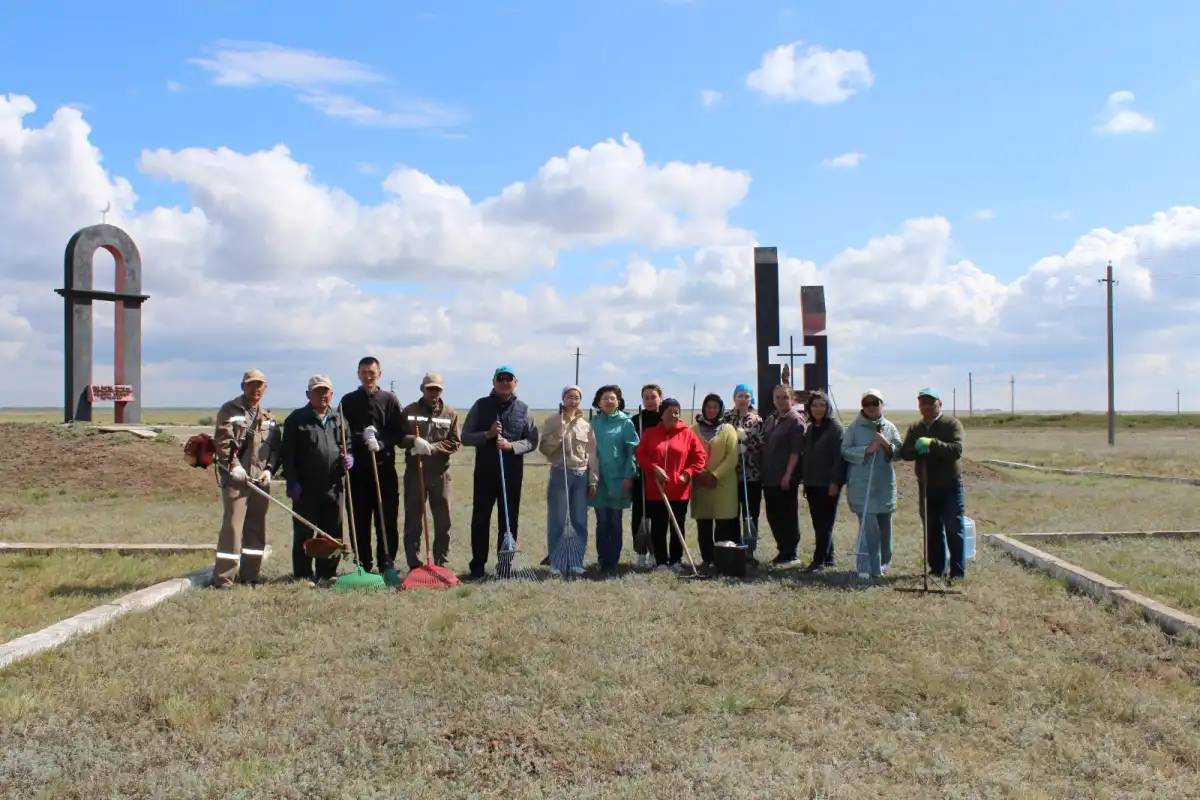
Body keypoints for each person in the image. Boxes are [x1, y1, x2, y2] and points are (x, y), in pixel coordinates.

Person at [461, 365, 539, 580]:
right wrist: (487, 434)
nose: (504, 382)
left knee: (509, 520)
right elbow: (465, 436)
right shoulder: (481, 405)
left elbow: (532, 440)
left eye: (509, 379)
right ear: (493, 382)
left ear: (515, 382)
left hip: (512, 474)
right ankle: (477, 566)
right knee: (480, 519)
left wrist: (511, 446)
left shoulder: (524, 409)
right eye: (500, 379)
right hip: (485, 473)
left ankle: (505, 565)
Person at [210, 368, 281, 589]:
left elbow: (275, 449)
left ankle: (251, 575)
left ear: (265, 388)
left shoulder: (269, 418)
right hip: (236, 481)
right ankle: (224, 579)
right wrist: (234, 466)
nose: (256, 389)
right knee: (232, 527)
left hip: (259, 482)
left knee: (256, 528)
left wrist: (269, 469)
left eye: (260, 385)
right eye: (251, 384)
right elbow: (222, 442)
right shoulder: (229, 410)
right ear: (243, 386)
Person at [281, 375, 353, 586]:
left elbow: (347, 443)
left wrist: (350, 458)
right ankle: (303, 574)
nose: (322, 395)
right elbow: (288, 454)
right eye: (317, 391)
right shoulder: (297, 419)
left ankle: (327, 573)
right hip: (305, 488)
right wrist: (292, 482)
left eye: (326, 391)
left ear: (331, 394)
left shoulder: (339, 419)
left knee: (331, 531)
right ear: (308, 394)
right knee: (304, 531)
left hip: (333, 486)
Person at [339, 357, 408, 575]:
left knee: (386, 520)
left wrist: (381, 442)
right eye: (364, 372)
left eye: (372, 372)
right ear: (358, 373)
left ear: (380, 373)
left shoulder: (390, 399)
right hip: (358, 471)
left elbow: (398, 431)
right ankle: (363, 564)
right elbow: (342, 432)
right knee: (359, 520)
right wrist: (359, 439)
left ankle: (387, 562)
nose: (368, 376)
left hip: (384, 469)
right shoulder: (348, 401)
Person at [901, 387, 967, 582]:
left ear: (940, 404)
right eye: (923, 402)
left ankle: (957, 572)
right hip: (926, 486)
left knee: (953, 527)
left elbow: (957, 450)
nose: (927, 406)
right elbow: (905, 453)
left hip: (949, 485)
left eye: (931, 402)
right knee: (932, 528)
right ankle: (937, 569)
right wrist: (916, 448)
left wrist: (932, 443)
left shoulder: (951, 424)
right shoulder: (915, 428)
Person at [634, 398, 706, 570]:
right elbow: (640, 454)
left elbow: (700, 457)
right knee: (658, 527)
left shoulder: (687, 433)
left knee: (677, 526)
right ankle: (660, 561)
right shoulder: (650, 433)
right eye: (671, 411)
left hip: (679, 490)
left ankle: (675, 560)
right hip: (656, 490)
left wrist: (687, 474)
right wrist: (653, 468)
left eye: (678, 411)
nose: (675, 414)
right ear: (662, 413)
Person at [841, 388, 903, 583]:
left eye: (874, 403)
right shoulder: (854, 427)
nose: (870, 407)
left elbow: (899, 452)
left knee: (885, 527)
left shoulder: (889, 427)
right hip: (862, 485)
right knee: (869, 528)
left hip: (884, 484)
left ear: (881, 405)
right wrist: (867, 450)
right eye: (866, 404)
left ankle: (883, 564)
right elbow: (845, 450)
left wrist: (886, 445)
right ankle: (866, 566)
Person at [399, 373, 460, 570]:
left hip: (440, 474)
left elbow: (454, 442)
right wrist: (412, 442)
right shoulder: (409, 410)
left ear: (441, 390)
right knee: (413, 520)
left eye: (437, 389)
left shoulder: (450, 413)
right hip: (415, 473)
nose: (433, 393)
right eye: (429, 389)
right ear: (422, 389)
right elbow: (399, 437)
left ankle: (441, 563)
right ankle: (414, 564)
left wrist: (433, 447)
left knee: (443, 521)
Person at [539, 385, 596, 576]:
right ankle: (556, 561)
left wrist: (593, 479)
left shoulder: (586, 425)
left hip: (580, 475)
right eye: (570, 397)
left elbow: (592, 454)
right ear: (563, 399)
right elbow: (544, 449)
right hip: (560, 473)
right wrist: (559, 436)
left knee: (579, 520)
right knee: (558, 519)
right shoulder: (552, 421)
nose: (573, 400)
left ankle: (576, 561)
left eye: (577, 397)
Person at [589, 385, 639, 575]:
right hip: (598, 479)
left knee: (615, 521)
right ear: (598, 402)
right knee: (602, 521)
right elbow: (589, 451)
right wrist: (590, 478)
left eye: (612, 398)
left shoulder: (626, 422)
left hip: (619, 479)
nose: (609, 402)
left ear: (618, 401)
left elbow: (631, 451)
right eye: (605, 399)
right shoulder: (594, 423)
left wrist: (629, 475)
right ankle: (603, 559)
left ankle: (613, 561)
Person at [690, 393, 741, 567]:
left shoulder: (728, 429)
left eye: (715, 407)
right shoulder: (693, 430)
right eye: (708, 406)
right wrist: (701, 474)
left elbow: (732, 457)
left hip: (724, 484)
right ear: (703, 408)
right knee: (703, 524)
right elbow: (688, 455)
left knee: (723, 522)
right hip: (700, 482)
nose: (711, 410)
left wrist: (715, 475)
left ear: (720, 409)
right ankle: (707, 559)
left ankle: (722, 559)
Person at [759, 384, 805, 565]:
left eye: (785, 397)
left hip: (785, 478)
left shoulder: (796, 421)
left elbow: (796, 452)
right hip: (769, 477)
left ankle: (791, 553)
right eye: (777, 397)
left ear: (792, 399)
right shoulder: (772, 419)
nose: (781, 401)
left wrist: (788, 474)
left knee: (787, 515)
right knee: (773, 515)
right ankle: (782, 550)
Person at [800, 389, 845, 572]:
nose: (818, 409)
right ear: (809, 408)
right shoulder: (811, 428)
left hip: (828, 484)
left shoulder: (834, 428)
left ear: (828, 407)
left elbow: (839, 458)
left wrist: (835, 482)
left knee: (824, 523)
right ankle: (829, 558)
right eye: (815, 405)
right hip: (812, 484)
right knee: (819, 522)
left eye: (822, 405)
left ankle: (818, 561)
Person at [723, 383, 764, 563]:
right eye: (740, 396)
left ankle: (749, 550)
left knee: (750, 513)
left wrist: (747, 443)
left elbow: (762, 445)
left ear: (751, 399)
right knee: (732, 514)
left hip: (751, 475)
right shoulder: (725, 418)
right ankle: (733, 549)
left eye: (747, 396)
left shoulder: (757, 420)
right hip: (730, 475)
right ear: (734, 398)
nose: (743, 399)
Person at [629, 384, 663, 567]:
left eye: (653, 397)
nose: (650, 400)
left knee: (657, 514)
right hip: (640, 473)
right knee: (640, 513)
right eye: (646, 397)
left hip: (659, 473)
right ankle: (641, 552)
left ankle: (656, 553)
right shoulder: (636, 420)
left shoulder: (664, 419)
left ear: (660, 398)